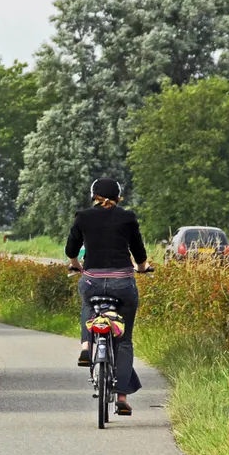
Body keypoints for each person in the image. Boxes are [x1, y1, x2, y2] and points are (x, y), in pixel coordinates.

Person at [65, 177, 152, 416]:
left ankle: (86, 345)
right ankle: (122, 397)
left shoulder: (83, 216)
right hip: (122, 283)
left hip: (92, 281)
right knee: (123, 340)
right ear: (119, 197)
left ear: (93, 196)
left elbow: (71, 250)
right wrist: (143, 267)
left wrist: (75, 265)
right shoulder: (128, 217)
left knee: (88, 306)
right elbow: (138, 250)